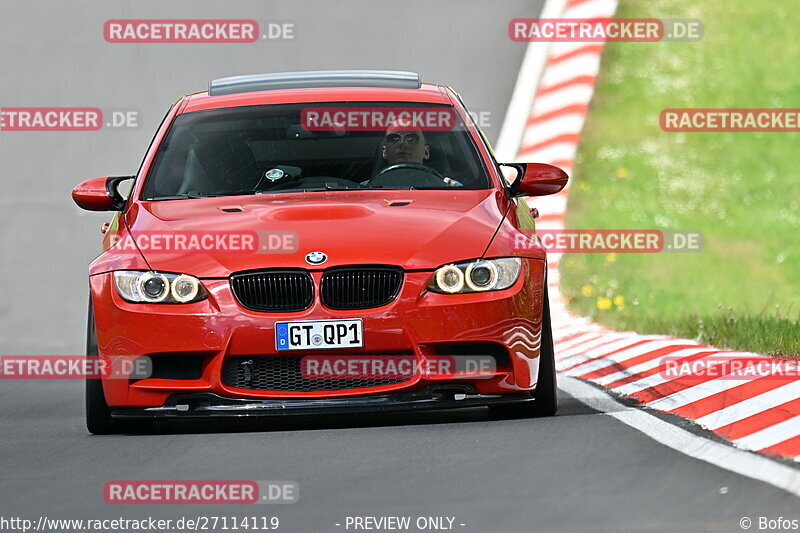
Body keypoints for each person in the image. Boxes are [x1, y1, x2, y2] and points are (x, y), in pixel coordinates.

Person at [378, 123, 462, 187]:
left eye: (411, 138)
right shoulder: (365, 189)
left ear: (426, 152)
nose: (402, 144)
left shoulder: (449, 187)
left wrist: (455, 191)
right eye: (394, 138)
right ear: (384, 152)